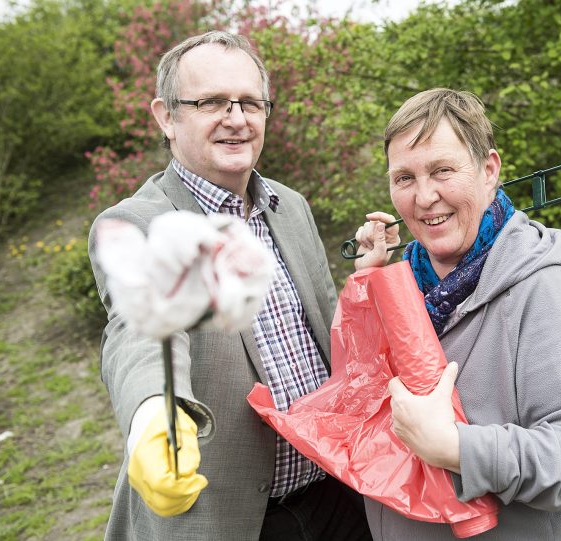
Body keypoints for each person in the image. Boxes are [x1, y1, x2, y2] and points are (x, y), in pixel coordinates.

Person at [89, 31, 372, 541]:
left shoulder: (290, 205)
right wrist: (154, 410)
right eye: (211, 102)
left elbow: (326, 337)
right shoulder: (139, 224)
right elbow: (140, 332)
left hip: (338, 497)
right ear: (166, 117)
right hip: (234, 521)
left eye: (249, 102)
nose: (236, 119)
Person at [355, 88, 561, 539]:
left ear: (489, 171)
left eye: (443, 170)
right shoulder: (405, 284)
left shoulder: (544, 288)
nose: (424, 197)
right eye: (404, 178)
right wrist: (371, 288)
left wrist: (458, 448)